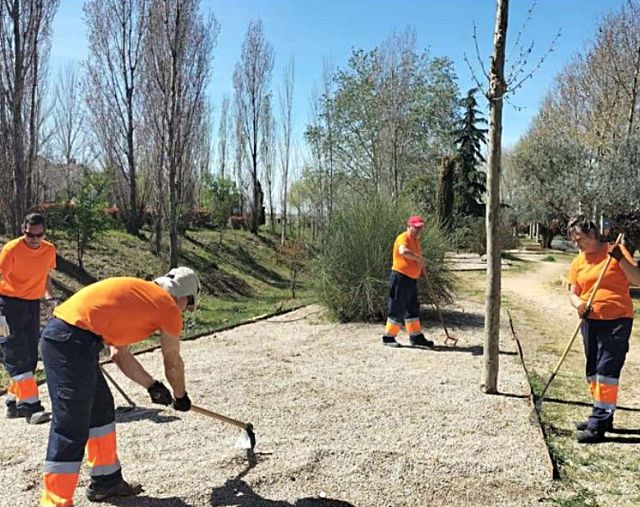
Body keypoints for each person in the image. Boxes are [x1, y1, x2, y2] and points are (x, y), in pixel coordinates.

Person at [39, 267, 200, 506]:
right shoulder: (167, 306)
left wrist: (152, 385)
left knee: (101, 410)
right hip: (70, 341)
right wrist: (181, 395)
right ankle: (54, 502)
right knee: (71, 423)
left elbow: (118, 354)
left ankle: (106, 481)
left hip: (73, 339)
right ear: (183, 296)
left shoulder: (141, 298)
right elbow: (173, 364)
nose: (184, 312)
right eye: (187, 306)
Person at [567, 216, 640, 443]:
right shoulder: (578, 261)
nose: (577, 245)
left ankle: (597, 424)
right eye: (574, 241)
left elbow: (637, 280)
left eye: (579, 239)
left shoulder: (615, 251)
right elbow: (573, 292)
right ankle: (603, 414)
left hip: (617, 320)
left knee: (607, 369)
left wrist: (620, 260)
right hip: (590, 321)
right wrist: (579, 305)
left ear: (592, 234)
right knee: (593, 370)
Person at [0, 212, 57, 424]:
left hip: (32, 304)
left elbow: (45, 275)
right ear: (23, 230)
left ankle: (13, 403)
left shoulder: (49, 250)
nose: (33, 239)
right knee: (16, 355)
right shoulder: (12, 249)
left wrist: (50, 298)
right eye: (29, 234)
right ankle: (31, 407)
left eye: (38, 235)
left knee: (31, 355)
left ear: (44, 233)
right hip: (8, 304)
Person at [382, 215, 434, 348]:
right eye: (415, 227)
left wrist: (419, 269)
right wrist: (418, 259)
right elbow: (403, 251)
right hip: (400, 277)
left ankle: (415, 336)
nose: (418, 230)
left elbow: (414, 260)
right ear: (409, 226)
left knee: (412, 308)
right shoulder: (403, 237)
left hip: (411, 279)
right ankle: (388, 337)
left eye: (420, 228)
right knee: (397, 306)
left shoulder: (416, 241)